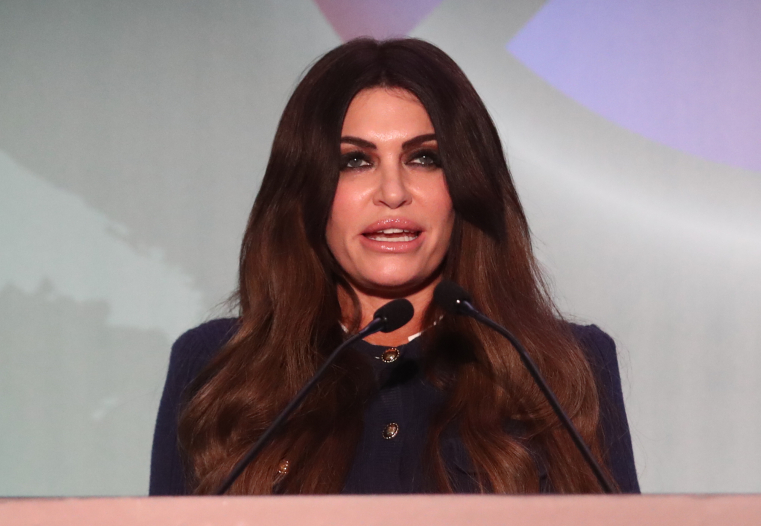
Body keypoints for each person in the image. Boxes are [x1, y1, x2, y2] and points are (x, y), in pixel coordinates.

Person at [149, 37, 639, 496]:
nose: (393, 192)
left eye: (424, 158)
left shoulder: (562, 367)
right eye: (355, 161)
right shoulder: (217, 367)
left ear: (467, 185)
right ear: (305, 192)